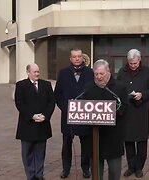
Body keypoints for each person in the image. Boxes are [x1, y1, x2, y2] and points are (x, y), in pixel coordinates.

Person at [82, 59, 128, 180]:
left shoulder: (120, 87)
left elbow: (125, 107)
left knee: (114, 172)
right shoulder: (88, 87)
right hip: (95, 137)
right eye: (96, 74)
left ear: (109, 72)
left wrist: (110, 111)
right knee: (96, 174)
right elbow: (83, 105)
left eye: (101, 74)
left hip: (113, 136)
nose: (99, 77)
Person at [117, 49, 149, 178]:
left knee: (141, 143)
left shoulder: (148, 71)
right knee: (128, 142)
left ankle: (139, 167)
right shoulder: (122, 72)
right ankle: (131, 167)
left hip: (141, 112)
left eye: (135, 63)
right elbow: (117, 88)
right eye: (130, 63)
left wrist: (142, 95)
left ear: (139, 60)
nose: (133, 65)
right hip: (127, 112)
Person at [54, 48, 94, 179]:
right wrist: (66, 108)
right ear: (70, 59)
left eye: (79, 56)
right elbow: (58, 94)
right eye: (74, 57)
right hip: (68, 116)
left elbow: (94, 92)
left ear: (82, 58)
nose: (77, 59)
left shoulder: (90, 72)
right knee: (66, 145)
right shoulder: (63, 73)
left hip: (85, 116)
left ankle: (85, 168)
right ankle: (66, 169)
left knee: (86, 145)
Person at [14, 63, 55, 180]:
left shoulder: (46, 85)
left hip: (42, 124)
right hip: (27, 125)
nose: (37, 74)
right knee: (27, 153)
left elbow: (51, 102)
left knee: (40, 152)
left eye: (38, 71)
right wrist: (32, 116)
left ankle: (39, 175)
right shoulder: (21, 85)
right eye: (34, 72)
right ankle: (30, 176)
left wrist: (45, 116)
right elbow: (19, 104)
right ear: (28, 72)